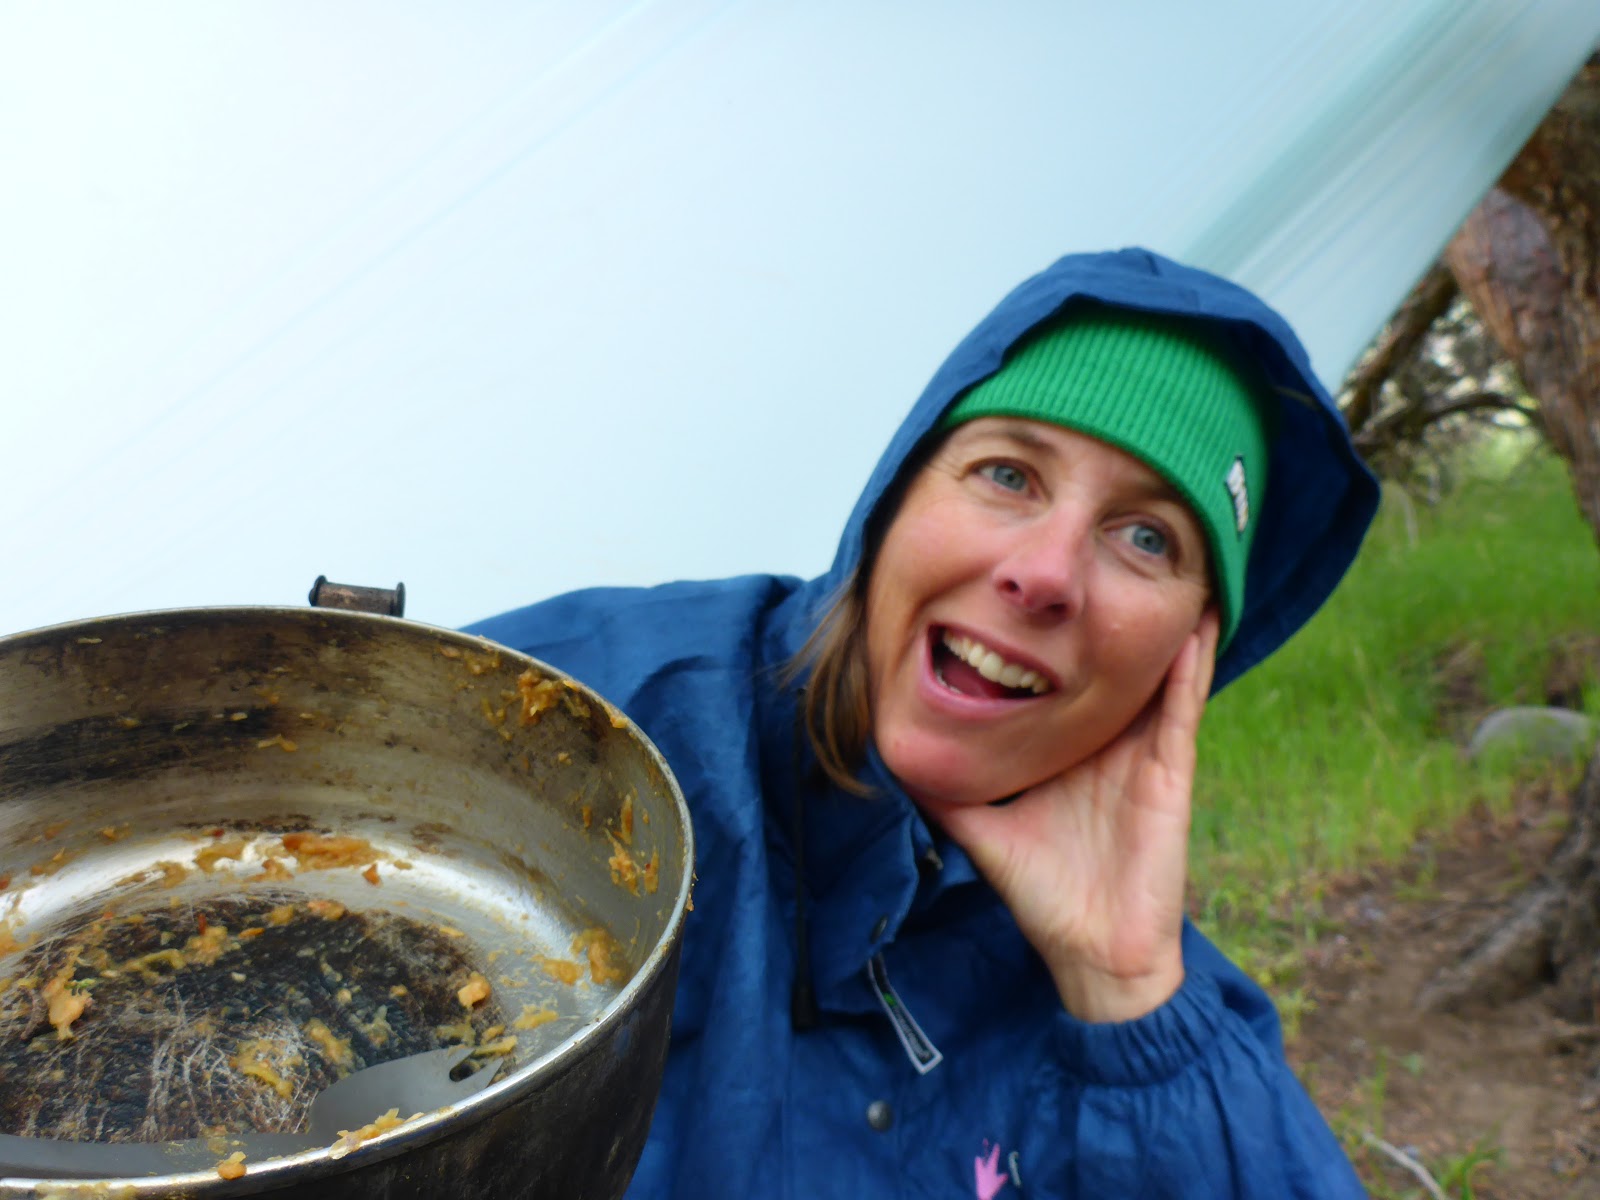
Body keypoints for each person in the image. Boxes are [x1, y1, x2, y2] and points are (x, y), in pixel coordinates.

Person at [467, 247, 1379, 1198]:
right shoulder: (575, 726)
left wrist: (1124, 990)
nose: (1047, 572)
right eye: (1008, 474)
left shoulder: (1154, 1010)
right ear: (894, 499)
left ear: (1188, 658)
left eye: (1146, 538)